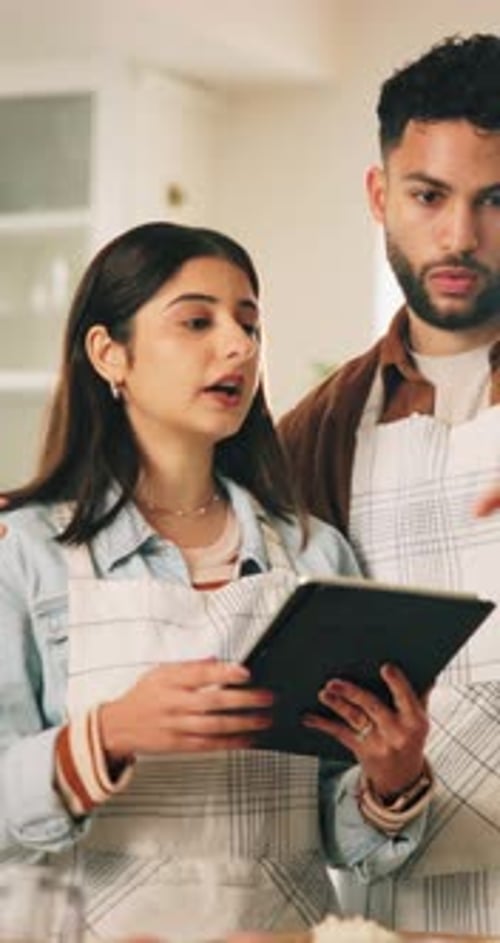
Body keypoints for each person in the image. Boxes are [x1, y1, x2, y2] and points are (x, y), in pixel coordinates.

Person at [0, 222, 432, 941]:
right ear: (110, 353)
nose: (238, 346)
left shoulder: (313, 554)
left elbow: (337, 831)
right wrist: (108, 734)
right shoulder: (25, 551)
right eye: (197, 320)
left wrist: (390, 782)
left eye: (250, 324)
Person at [280, 33, 500, 937]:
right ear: (380, 197)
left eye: (496, 201)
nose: (459, 236)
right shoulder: (311, 438)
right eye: (428, 196)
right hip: (398, 910)